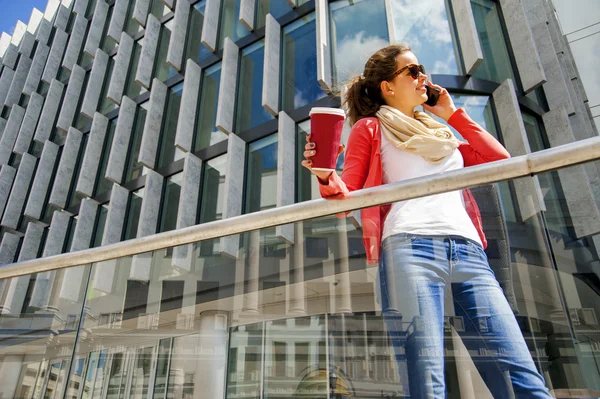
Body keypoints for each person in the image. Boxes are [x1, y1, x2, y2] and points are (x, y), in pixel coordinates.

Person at [302, 44, 552, 398]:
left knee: (521, 377)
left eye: (423, 71)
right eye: (413, 71)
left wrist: (452, 114)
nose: (424, 78)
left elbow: (499, 159)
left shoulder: (442, 136)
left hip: (469, 255)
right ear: (388, 87)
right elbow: (346, 200)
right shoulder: (371, 128)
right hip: (410, 249)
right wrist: (325, 173)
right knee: (428, 381)